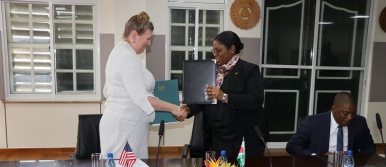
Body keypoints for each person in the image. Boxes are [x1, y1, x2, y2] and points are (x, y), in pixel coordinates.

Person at [100, 11, 186, 159]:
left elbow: (110, 90)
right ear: (134, 35)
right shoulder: (127, 58)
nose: (149, 43)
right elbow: (142, 98)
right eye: (147, 38)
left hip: (127, 125)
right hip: (124, 128)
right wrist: (173, 108)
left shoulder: (121, 51)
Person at [182, 31, 267, 159]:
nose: (215, 55)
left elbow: (255, 100)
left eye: (219, 50)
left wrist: (224, 96)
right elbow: (204, 98)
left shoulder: (249, 70)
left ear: (232, 49)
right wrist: (187, 110)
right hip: (216, 137)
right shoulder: (211, 70)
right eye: (214, 51)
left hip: (241, 137)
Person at [286, 92, 376, 156]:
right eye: (345, 113)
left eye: (353, 113)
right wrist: (317, 157)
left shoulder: (359, 122)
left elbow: (370, 148)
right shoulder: (313, 122)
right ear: (334, 109)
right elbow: (292, 146)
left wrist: (352, 157)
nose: (350, 117)